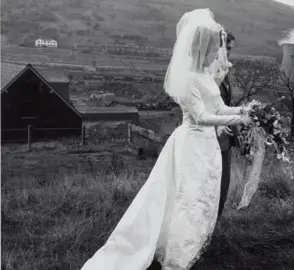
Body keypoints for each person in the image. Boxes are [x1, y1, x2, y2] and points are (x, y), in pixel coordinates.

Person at [81, 9, 253, 270]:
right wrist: (238, 120)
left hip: (207, 147)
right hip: (191, 144)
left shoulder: (206, 75)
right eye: (212, 52)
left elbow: (218, 108)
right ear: (201, 48)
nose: (216, 57)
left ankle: (195, 245)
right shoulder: (188, 79)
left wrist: (244, 111)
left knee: (203, 196)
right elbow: (201, 117)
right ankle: (176, 256)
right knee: (186, 197)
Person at [215, 30, 243, 221]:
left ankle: (216, 222)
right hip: (212, 137)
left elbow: (226, 106)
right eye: (227, 49)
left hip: (226, 136)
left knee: (224, 183)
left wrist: (237, 132)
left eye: (232, 49)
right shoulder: (207, 72)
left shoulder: (224, 70)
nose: (230, 53)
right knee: (214, 184)